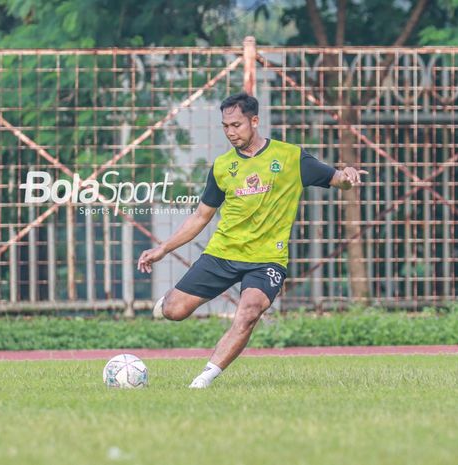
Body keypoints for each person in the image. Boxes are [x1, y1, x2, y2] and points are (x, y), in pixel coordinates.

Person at [137, 92, 368, 388]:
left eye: (237, 125)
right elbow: (200, 217)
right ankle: (169, 301)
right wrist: (163, 249)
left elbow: (337, 179)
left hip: (267, 260)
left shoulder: (290, 158)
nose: (231, 132)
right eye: (226, 127)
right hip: (222, 253)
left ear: (254, 121)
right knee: (174, 311)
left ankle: (203, 380)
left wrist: (348, 175)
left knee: (248, 312)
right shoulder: (222, 167)